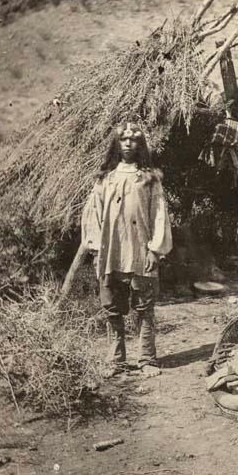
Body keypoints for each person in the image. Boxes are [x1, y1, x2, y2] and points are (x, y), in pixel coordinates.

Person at [81, 122, 172, 378]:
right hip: (112, 251)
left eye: (134, 139)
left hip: (141, 250)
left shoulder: (149, 178)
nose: (129, 143)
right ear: (116, 144)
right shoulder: (105, 178)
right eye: (123, 139)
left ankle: (147, 359)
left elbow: (159, 215)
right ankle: (117, 360)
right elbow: (93, 215)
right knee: (112, 308)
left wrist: (155, 250)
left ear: (140, 144)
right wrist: (97, 248)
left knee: (144, 307)